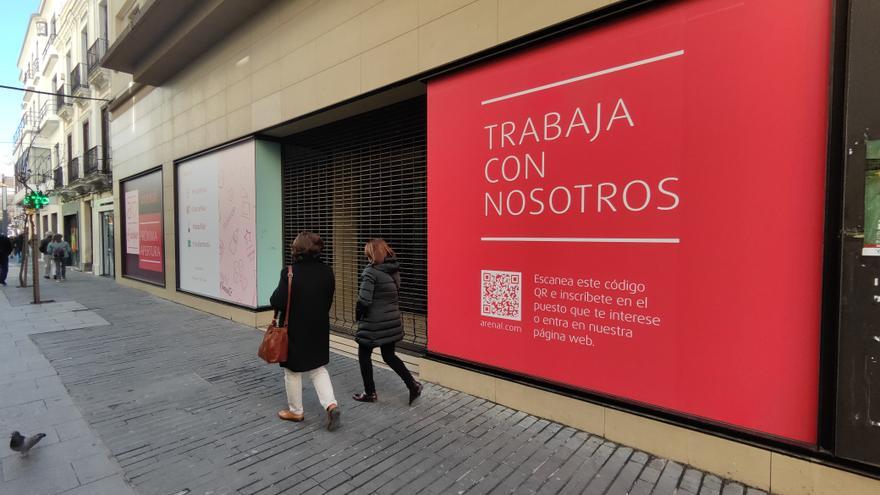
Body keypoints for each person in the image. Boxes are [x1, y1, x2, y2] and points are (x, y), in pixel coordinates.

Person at [270, 231, 341, 431]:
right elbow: (327, 300)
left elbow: (277, 301)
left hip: (295, 327)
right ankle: (331, 404)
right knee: (318, 368)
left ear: (297, 250)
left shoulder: (290, 272)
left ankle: (296, 411)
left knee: (292, 370)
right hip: (319, 327)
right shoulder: (328, 271)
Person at [352, 239, 422, 405]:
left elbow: (364, 300)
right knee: (389, 355)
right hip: (391, 321)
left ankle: (370, 393)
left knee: (364, 355)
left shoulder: (370, 272)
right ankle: (413, 385)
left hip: (373, 324)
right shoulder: (392, 270)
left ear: (371, 254)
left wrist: (358, 315)